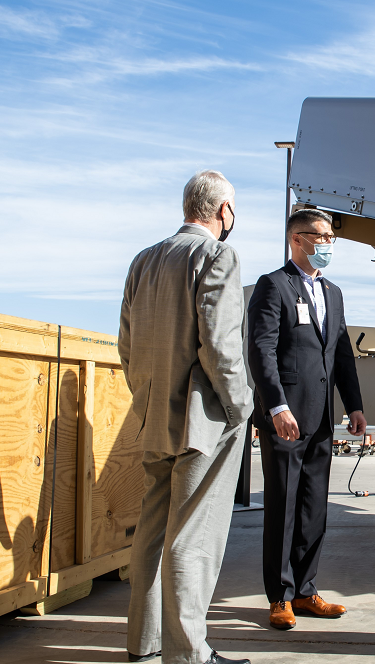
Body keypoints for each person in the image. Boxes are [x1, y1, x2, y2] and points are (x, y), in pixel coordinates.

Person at [119, 170, 254, 664]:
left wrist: (147, 397)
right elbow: (220, 345)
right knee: (194, 537)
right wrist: (241, 407)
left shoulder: (144, 260)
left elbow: (127, 345)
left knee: (153, 531)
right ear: (223, 211)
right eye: (233, 208)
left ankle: (144, 642)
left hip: (154, 415)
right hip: (205, 419)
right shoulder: (217, 255)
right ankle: (189, 653)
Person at [247, 208, 366, 630]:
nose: (328, 244)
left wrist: (354, 405)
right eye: (322, 237)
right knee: (282, 504)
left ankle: (305, 589)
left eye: (332, 237)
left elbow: (342, 353)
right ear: (297, 239)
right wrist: (276, 407)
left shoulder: (333, 292)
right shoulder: (273, 286)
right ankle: (279, 596)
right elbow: (260, 350)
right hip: (286, 417)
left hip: (321, 419)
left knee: (315, 505)